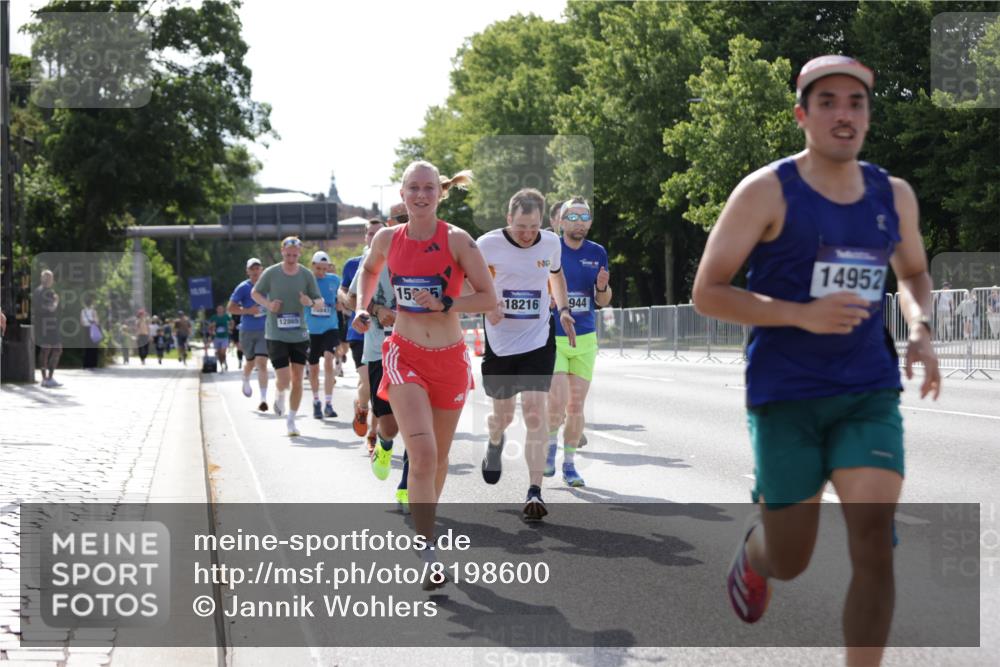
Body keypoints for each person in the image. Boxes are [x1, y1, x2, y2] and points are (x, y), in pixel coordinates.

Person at [691, 55, 941, 666]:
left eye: (856, 103)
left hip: (867, 390)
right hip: (787, 396)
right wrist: (799, 313)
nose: (843, 114)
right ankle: (757, 552)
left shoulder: (893, 195)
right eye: (827, 101)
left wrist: (921, 326)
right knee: (792, 560)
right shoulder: (766, 191)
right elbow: (708, 291)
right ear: (802, 114)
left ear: (869, 116)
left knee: (875, 545)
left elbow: (912, 272)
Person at [354, 160, 494, 589]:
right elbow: (369, 271)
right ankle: (429, 550)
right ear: (401, 193)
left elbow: (489, 298)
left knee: (441, 457)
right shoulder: (385, 238)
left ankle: (424, 521)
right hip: (404, 354)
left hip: (450, 358)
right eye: (413, 187)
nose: (420, 195)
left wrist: (447, 305)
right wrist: (363, 307)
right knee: (424, 453)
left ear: (440, 193)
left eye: (428, 188)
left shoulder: (457, 240)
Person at [476, 188, 576, 522]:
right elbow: (466, 284)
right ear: (508, 219)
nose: (527, 233)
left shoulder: (550, 243)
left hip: (537, 339)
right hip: (500, 343)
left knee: (535, 413)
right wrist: (487, 304)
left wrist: (562, 308)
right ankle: (494, 441)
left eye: (533, 227)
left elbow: (556, 274)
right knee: (502, 417)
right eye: (521, 226)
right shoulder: (487, 245)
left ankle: (534, 491)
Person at [545, 197, 612, 486]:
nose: (579, 222)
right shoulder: (550, 248)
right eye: (572, 217)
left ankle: (569, 464)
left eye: (584, 216)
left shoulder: (597, 252)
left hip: (585, 337)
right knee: (557, 403)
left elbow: (604, 300)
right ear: (560, 221)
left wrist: (602, 287)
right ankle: (549, 449)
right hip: (553, 336)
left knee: (576, 408)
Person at [349, 205, 408, 507]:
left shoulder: (432, 252)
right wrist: (376, 310)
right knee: (390, 425)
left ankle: (407, 486)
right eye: (403, 222)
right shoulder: (375, 256)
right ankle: (384, 445)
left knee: (416, 423)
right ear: (390, 226)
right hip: (379, 351)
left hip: (418, 350)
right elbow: (351, 298)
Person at [252, 237, 324, 437]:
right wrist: (268, 305)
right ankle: (279, 392)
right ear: (282, 251)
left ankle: (291, 421)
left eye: (295, 254)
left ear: (299, 254)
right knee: (284, 379)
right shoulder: (271, 273)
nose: (291, 258)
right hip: (276, 333)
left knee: (298, 379)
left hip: (299, 333)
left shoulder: (306, 275)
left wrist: (309, 301)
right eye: (288, 254)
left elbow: (319, 302)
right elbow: (255, 293)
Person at [340, 220, 383, 450]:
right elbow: (344, 291)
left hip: (385, 335)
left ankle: (373, 434)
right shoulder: (354, 264)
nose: (374, 237)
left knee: (380, 388)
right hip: (360, 332)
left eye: (378, 233)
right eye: (370, 234)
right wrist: (352, 303)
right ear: (365, 237)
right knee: (367, 382)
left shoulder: (392, 261)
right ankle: (362, 409)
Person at [230, 258, 271, 411]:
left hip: (264, 330)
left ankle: (263, 399)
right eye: (252, 269)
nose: (255, 272)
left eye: (257, 268)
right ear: (247, 271)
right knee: (250, 362)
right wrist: (248, 311)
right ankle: (246, 378)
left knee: (262, 362)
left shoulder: (268, 286)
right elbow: (230, 308)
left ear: (262, 270)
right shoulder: (243, 288)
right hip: (247, 330)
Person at [305, 250, 341, 419]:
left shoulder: (334, 280)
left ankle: (329, 403)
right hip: (312, 331)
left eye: (324, 269)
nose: (321, 272)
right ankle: (316, 401)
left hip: (330, 327)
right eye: (318, 268)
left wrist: (341, 304)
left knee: (328, 359)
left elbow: (343, 298)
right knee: (313, 369)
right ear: (312, 266)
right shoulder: (306, 282)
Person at [34, 269, 63, 387]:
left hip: (45, 323)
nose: (51, 280)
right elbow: (51, 308)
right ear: (44, 279)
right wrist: (56, 301)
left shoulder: (38, 291)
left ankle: (46, 378)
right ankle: (47, 378)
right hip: (47, 324)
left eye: (50, 278)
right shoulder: (47, 292)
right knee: (54, 349)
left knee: (47, 350)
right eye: (49, 278)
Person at [209, 303, 232, 372]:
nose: (220, 310)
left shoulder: (226, 316)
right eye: (218, 309)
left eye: (221, 309)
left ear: (223, 310)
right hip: (217, 337)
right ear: (216, 310)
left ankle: (224, 362)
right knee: (218, 353)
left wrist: (230, 328)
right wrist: (212, 327)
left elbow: (232, 322)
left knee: (223, 352)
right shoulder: (214, 317)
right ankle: (221, 364)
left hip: (225, 337)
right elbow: (210, 327)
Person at [80, 296, 101, 369]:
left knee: (86, 347)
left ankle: (85, 364)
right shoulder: (93, 311)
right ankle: (93, 364)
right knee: (93, 347)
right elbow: (97, 322)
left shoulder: (83, 311)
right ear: (91, 303)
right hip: (92, 329)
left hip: (85, 329)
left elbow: (81, 322)